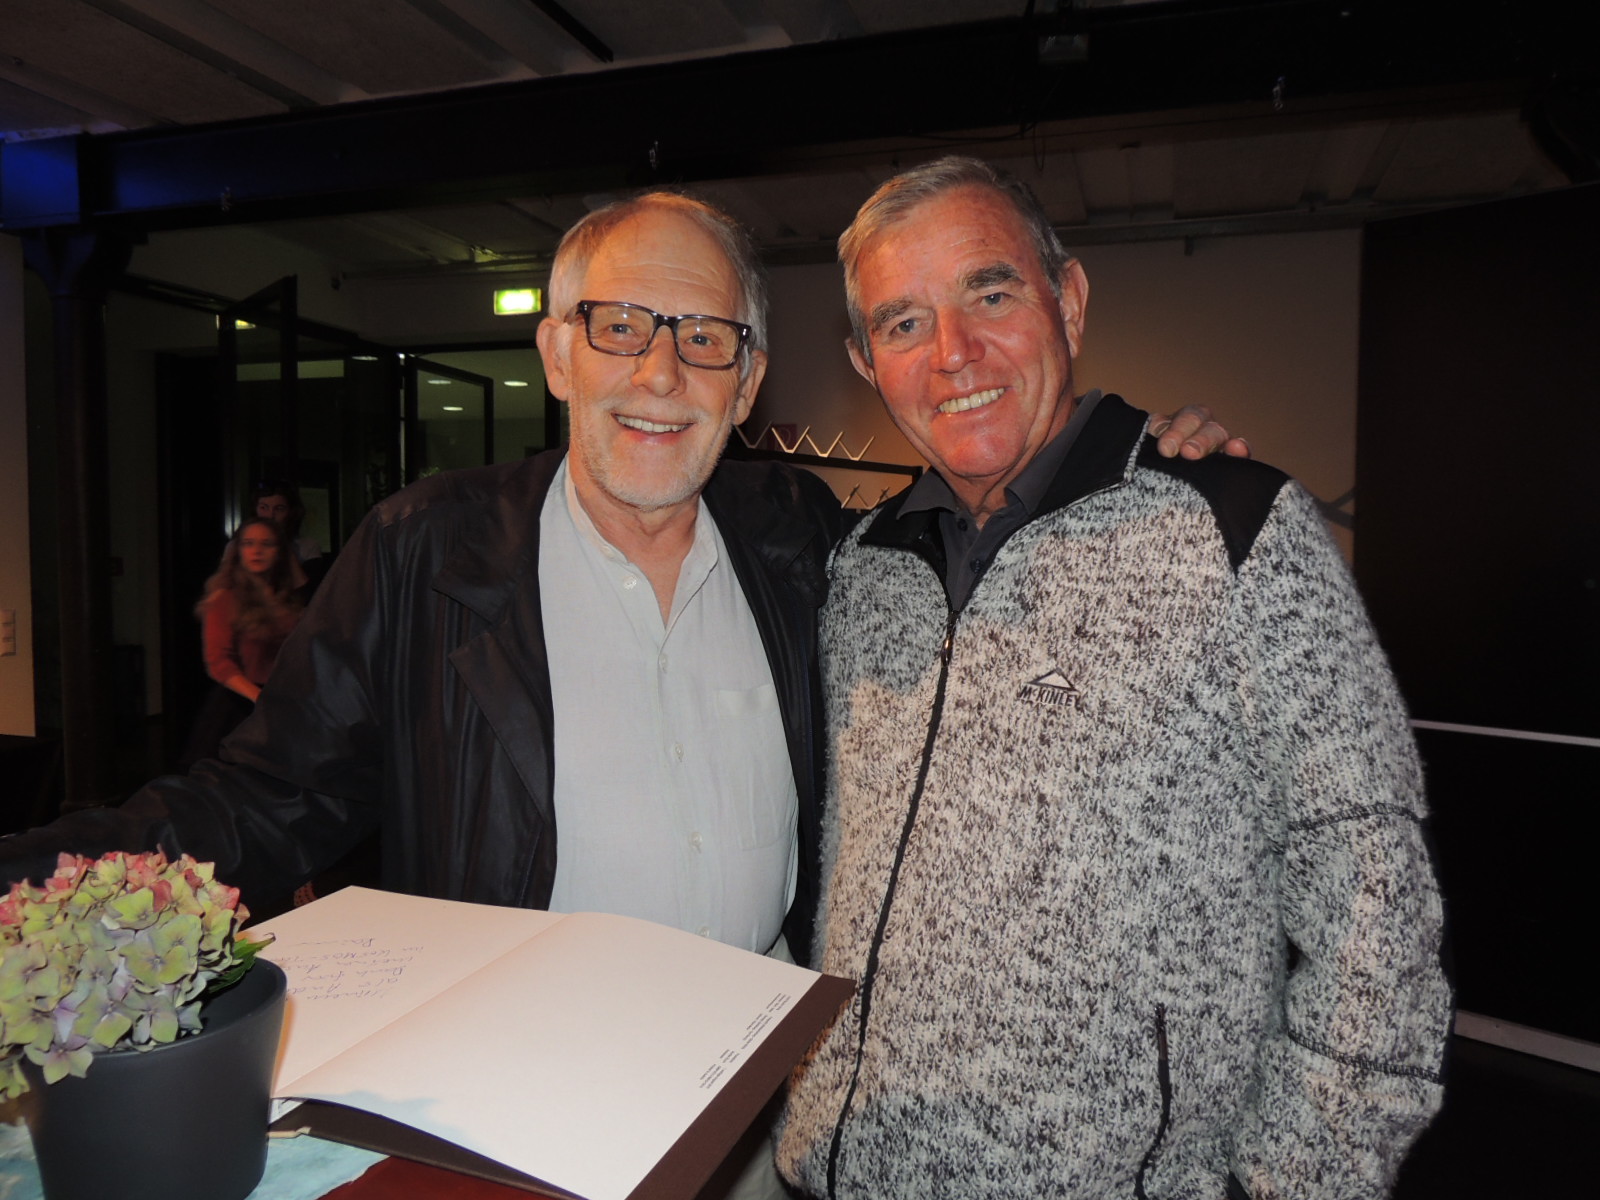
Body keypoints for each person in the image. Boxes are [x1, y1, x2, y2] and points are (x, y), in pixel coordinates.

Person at [1, 189, 1239, 1199]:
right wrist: (27, 885)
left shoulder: (805, 541)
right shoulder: (426, 554)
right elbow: (260, 802)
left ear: (746, 381)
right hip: (509, 1128)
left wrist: (1134, 471)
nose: (659, 371)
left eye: (704, 337)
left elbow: (988, 552)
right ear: (555, 352)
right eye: (618, 326)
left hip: (767, 1123)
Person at [774, 158, 1451, 1200]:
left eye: (989, 294)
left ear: (1070, 301)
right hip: (842, 1170)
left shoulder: (1232, 527)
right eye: (904, 323)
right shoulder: (862, 569)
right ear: (868, 362)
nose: (952, 353)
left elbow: (1376, 906)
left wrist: (1292, 1182)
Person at [177, 517, 303, 771]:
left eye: (266, 544)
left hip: (280, 701)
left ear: (279, 551)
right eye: (248, 543)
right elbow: (219, 663)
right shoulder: (225, 597)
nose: (257, 551)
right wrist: (260, 698)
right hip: (240, 704)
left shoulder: (286, 599)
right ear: (238, 551)